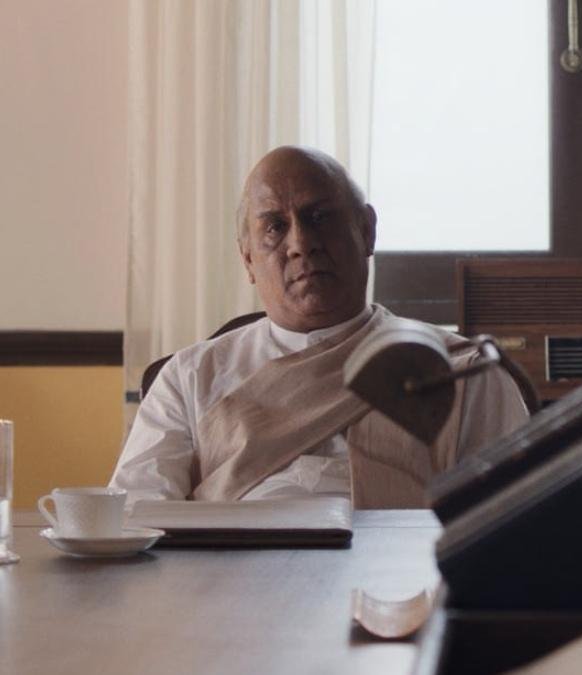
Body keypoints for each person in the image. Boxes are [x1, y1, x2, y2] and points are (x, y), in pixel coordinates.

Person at [111, 146, 529, 508]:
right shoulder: (189, 378)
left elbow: (507, 524)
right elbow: (137, 520)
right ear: (248, 260)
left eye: (320, 217)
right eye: (275, 226)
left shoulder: (462, 373)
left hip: (399, 575)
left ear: (367, 231)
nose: (301, 243)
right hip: (228, 575)